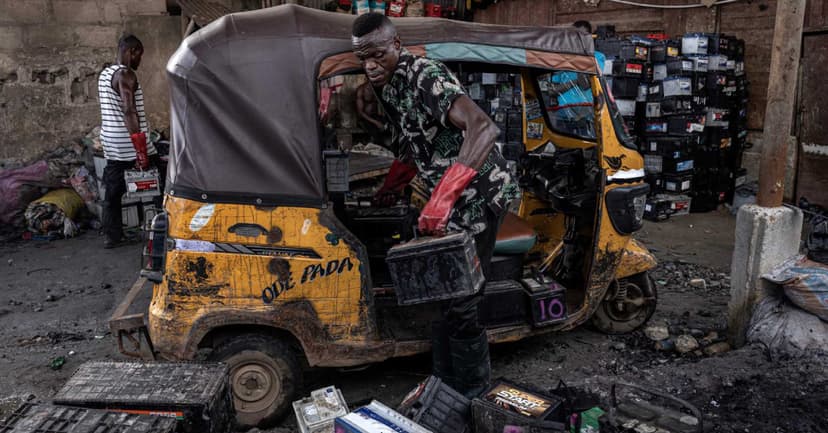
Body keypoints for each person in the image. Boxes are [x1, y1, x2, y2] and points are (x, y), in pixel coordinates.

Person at [351, 13, 520, 397]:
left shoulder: (425, 73)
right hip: (448, 195)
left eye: (377, 55)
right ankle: (444, 386)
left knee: (462, 301)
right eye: (364, 59)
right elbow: (416, 143)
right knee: (443, 295)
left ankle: (473, 396)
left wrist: (442, 198)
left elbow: (484, 128)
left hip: (478, 195)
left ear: (396, 46)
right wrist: (392, 188)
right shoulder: (388, 86)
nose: (371, 65)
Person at [97, 34, 161, 249]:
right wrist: (141, 150)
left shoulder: (105, 73)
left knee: (113, 192)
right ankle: (164, 229)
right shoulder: (126, 74)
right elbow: (128, 110)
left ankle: (112, 236)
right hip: (130, 143)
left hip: (112, 143)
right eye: (139, 56)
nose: (139, 61)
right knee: (160, 184)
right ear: (131, 52)